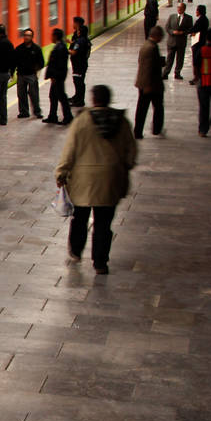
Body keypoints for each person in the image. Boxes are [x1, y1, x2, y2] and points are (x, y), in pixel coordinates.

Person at [55, 85, 137, 276]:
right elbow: (131, 153)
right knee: (103, 223)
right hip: (110, 180)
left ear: (93, 100)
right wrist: (122, 167)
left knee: (80, 218)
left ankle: (76, 250)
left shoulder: (82, 121)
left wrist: (61, 173)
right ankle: (100, 262)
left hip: (83, 181)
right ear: (109, 100)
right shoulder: (122, 121)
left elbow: (70, 150)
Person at [135, 26, 166, 139]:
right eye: (161, 36)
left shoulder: (145, 45)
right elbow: (148, 67)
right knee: (156, 107)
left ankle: (138, 131)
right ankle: (156, 129)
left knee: (142, 108)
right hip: (151, 84)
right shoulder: (152, 48)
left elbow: (141, 62)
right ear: (157, 36)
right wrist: (148, 85)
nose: (162, 38)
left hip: (143, 82)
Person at [43, 28, 73, 125]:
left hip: (58, 77)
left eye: (52, 35)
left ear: (55, 36)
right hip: (58, 76)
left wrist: (54, 76)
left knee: (61, 97)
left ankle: (68, 117)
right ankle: (52, 116)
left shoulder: (60, 48)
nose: (51, 37)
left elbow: (58, 64)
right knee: (53, 96)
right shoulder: (60, 47)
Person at [14, 28, 45, 119]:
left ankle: (37, 111)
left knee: (34, 94)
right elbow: (14, 62)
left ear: (32, 37)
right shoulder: (19, 49)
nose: (26, 37)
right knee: (21, 94)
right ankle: (24, 112)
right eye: (25, 35)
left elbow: (41, 62)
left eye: (28, 35)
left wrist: (36, 70)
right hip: (21, 74)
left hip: (31, 74)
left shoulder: (36, 49)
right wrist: (12, 72)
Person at [163, 2, 194, 80]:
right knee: (170, 58)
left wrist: (183, 32)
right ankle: (165, 73)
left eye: (180, 8)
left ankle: (177, 73)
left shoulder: (189, 18)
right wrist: (172, 32)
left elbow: (190, 29)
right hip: (171, 42)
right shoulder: (171, 17)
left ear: (184, 9)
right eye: (178, 7)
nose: (179, 9)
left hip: (181, 42)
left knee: (180, 59)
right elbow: (167, 27)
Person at [69, 18, 92, 107]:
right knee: (79, 82)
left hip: (79, 64)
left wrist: (65, 50)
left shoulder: (80, 41)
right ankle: (78, 97)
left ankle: (79, 100)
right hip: (81, 64)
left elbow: (74, 51)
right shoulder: (85, 40)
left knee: (78, 82)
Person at [188, 5, 209, 85]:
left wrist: (186, 32)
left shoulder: (200, 20)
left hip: (198, 42)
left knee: (196, 60)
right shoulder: (205, 19)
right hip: (201, 41)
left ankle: (197, 77)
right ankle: (198, 77)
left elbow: (194, 29)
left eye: (197, 10)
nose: (196, 12)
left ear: (199, 11)